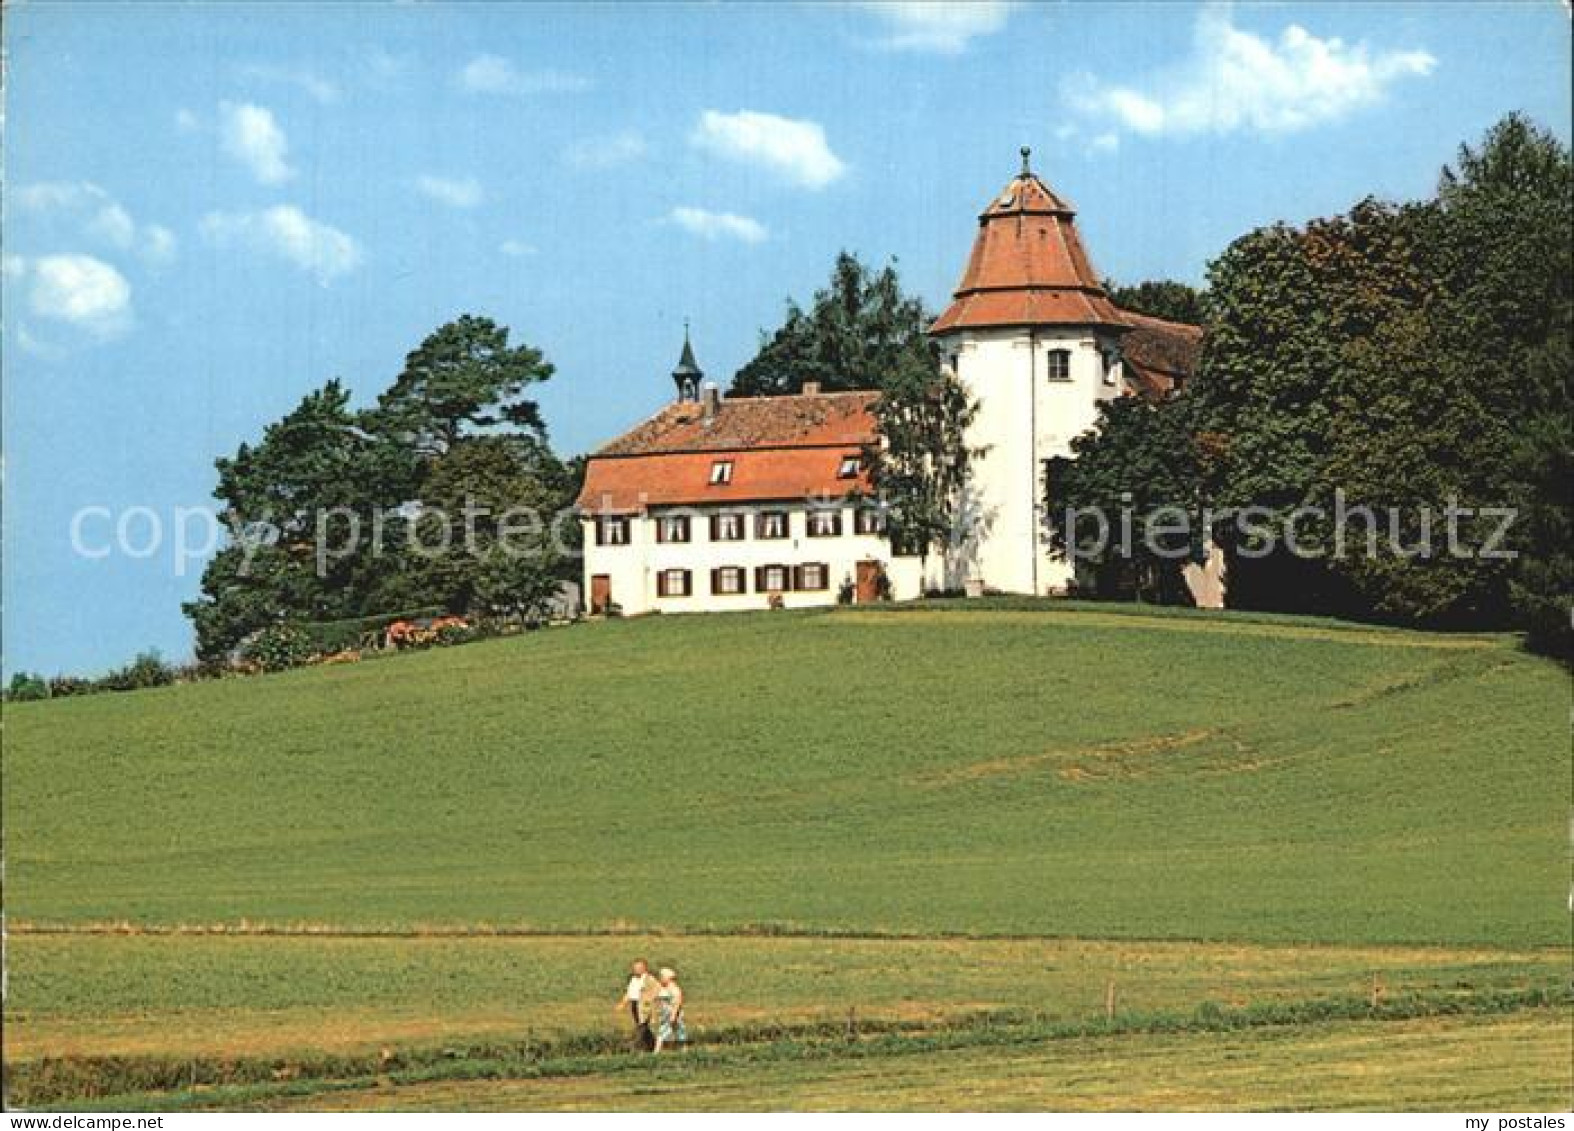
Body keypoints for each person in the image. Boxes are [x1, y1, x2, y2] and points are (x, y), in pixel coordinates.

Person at [614, 958, 658, 1051]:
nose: (636, 970)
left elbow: (656, 992)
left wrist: (651, 1006)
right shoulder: (633, 979)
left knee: (642, 1026)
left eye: (638, 968)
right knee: (642, 1026)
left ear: (644, 968)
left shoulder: (650, 980)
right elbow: (629, 993)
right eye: (635, 968)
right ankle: (653, 1045)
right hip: (635, 1004)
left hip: (645, 1006)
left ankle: (636, 1047)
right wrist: (622, 1003)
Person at [653, 966, 686, 1053]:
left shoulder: (675, 989)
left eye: (662, 976)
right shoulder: (663, 988)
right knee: (677, 1032)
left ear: (668, 978)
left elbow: (677, 1003)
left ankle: (656, 1052)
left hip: (672, 1013)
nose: (660, 978)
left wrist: (673, 1015)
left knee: (664, 1032)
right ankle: (683, 1050)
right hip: (665, 1013)